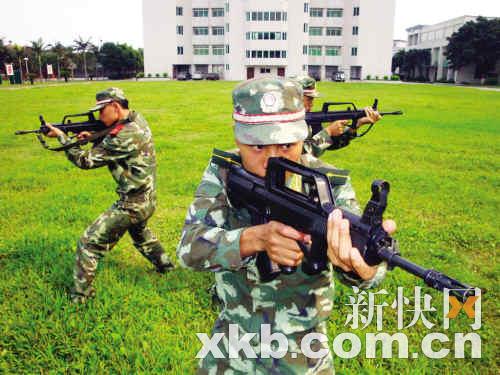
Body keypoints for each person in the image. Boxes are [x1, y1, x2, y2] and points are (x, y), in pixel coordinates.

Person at [177, 78, 395, 373]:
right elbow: (189, 248)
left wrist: (364, 268)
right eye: (256, 146)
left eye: (285, 144)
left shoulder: (330, 184)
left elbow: (367, 267)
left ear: (303, 136)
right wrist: (253, 239)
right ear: (237, 137)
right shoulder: (225, 172)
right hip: (232, 341)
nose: (271, 159)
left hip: (304, 349)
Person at [45, 87, 174, 303]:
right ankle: (167, 268)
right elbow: (113, 135)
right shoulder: (136, 119)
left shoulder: (124, 134)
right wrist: (94, 136)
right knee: (140, 234)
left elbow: (85, 161)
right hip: (148, 198)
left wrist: (62, 138)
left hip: (132, 204)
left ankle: (80, 297)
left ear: (115, 106)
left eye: (101, 111)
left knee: (88, 244)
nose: (98, 116)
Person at [294, 75, 382, 157]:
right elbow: (299, 155)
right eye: (309, 99)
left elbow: (328, 146)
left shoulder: (306, 120)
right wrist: (328, 132)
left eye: (313, 99)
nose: (312, 104)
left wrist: (356, 125)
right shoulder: (284, 123)